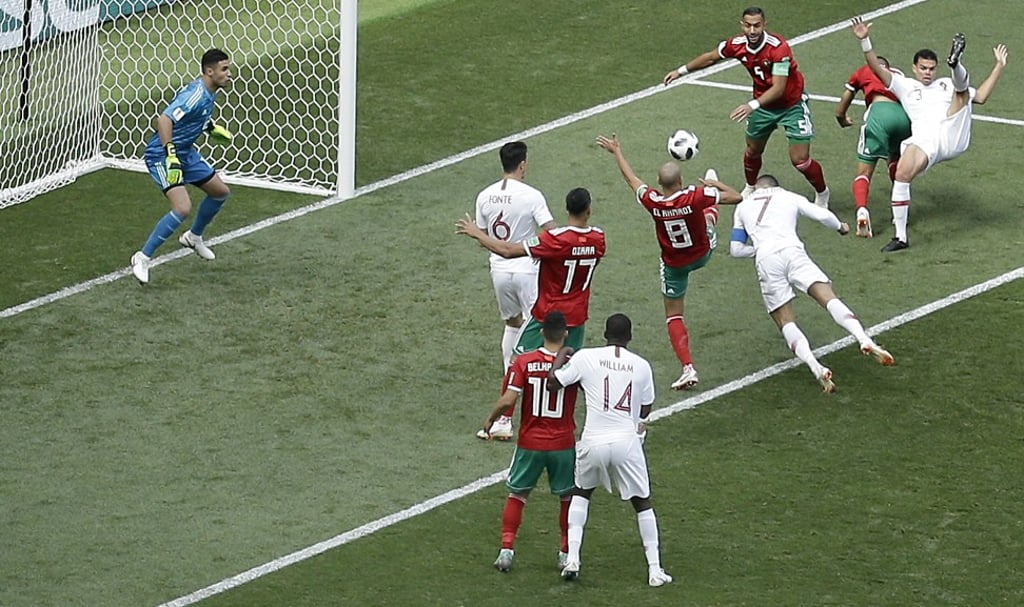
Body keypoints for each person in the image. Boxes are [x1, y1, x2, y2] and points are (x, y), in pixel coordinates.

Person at [595, 133, 741, 390]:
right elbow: (737, 197)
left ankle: (687, 368)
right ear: (681, 180)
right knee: (707, 219)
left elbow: (632, 180)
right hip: (702, 254)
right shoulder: (694, 195)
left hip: (674, 265)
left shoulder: (653, 201)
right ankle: (710, 211)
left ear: (659, 184)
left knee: (673, 315)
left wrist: (617, 151)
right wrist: (713, 186)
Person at [457, 188, 606, 440]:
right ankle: (585, 422)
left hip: (547, 316)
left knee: (518, 362)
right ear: (589, 210)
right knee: (571, 370)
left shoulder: (554, 238)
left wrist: (477, 234)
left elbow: (506, 251)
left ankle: (504, 420)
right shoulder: (598, 238)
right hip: (578, 316)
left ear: (566, 208)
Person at [851, 18, 1008, 251]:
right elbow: (876, 68)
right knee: (902, 173)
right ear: (914, 68)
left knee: (961, 93)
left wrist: (999, 67)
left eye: (932, 68)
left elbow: (982, 97)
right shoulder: (905, 86)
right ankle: (900, 237)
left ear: (937, 69)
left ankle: (956, 64)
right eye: (923, 68)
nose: (927, 73)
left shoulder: (944, 84)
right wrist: (865, 40)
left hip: (952, 131)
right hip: (925, 140)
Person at [730, 175, 895, 393]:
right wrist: (840, 226)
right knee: (829, 298)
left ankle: (815, 366)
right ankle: (864, 339)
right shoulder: (789, 196)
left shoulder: (743, 207)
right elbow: (821, 214)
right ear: (776, 186)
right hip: (793, 250)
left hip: (766, 259)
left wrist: (759, 250)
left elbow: (736, 249)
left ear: (757, 188)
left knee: (785, 320)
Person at [546, 313, 672, 587]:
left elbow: (553, 382)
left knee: (581, 493)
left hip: (594, 440)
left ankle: (573, 558)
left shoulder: (585, 357)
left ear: (605, 335)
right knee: (642, 502)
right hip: (626, 442)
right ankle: (655, 570)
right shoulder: (641, 365)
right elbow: (646, 409)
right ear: (630, 337)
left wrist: (563, 353)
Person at [663, 6, 830, 207]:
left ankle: (822, 194)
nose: (752, 31)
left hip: (791, 105)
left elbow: (778, 88)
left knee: (800, 160)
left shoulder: (779, 48)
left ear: (764, 25)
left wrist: (752, 105)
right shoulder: (737, 44)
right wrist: (680, 71)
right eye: (748, 26)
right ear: (742, 25)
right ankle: (750, 186)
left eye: (757, 26)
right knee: (752, 151)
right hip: (763, 106)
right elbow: (711, 57)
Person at [482, 311, 579, 574]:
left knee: (518, 494)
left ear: (541, 332)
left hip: (530, 442)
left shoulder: (524, 361)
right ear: (565, 334)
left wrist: (490, 420)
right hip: (563, 443)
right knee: (568, 498)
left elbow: (508, 400)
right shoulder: (575, 364)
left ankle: (506, 550)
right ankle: (564, 553)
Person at [130, 48, 235, 285]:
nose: (230, 74)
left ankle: (193, 237)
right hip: (162, 155)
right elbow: (164, 119)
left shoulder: (210, 92)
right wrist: (170, 155)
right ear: (209, 71)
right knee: (182, 207)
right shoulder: (196, 94)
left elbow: (194, 117)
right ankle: (142, 258)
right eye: (224, 69)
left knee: (220, 192)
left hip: (185, 152)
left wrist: (209, 128)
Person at [474, 142, 557, 439]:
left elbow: (481, 236)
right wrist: (530, 246)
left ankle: (509, 372)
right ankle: (523, 390)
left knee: (512, 324)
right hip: (526, 269)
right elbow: (550, 232)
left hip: (498, 270)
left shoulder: (484, 195)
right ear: (522, 164)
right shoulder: (532, 195)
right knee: (537, 328)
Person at [834, 56, 912, 238]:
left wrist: (842, 119)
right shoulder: (898, 74)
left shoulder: (864, 70)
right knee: (895, 162)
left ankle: (862, 211)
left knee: (864, 172)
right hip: (904, 118)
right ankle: (899, 213)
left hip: (879, 114)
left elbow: (844, 101)